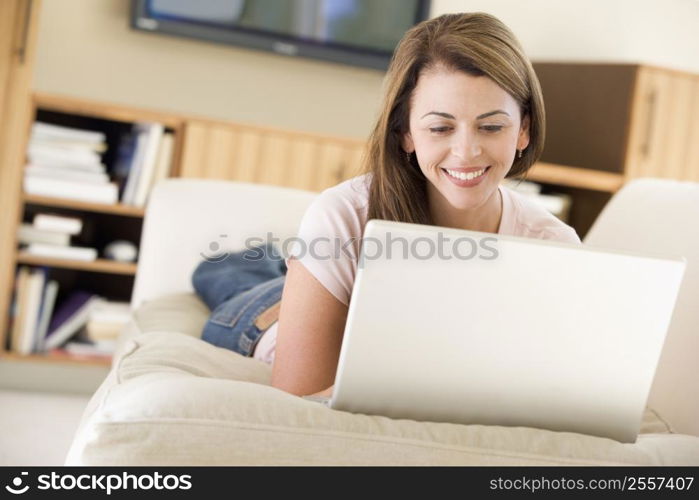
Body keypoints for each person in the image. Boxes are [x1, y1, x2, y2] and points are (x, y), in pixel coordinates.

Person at [194, 12, 581, 399]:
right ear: (406, 133)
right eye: (440, 128)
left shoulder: (554, 245)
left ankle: (287, 263)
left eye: (492, 126)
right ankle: (268, 262)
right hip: (264, 315)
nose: (467, 151)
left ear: (524, 129)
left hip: (330, 279)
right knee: (229, 273)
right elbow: (299, 402)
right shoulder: (343, 213)